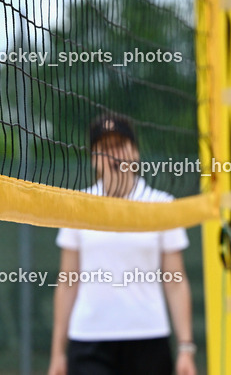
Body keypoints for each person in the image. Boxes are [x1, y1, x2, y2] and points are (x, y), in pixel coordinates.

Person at [48, 113, 196, 375]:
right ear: (94, 159)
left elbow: (175, 280)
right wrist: (58, 353)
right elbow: (67, 281)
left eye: (120, 145)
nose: (114, 155)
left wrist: (185, 347)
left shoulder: (161, 204)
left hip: (148, 336)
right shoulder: (77, 206)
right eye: (105, 148)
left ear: (135, 153)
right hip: (89, 338)